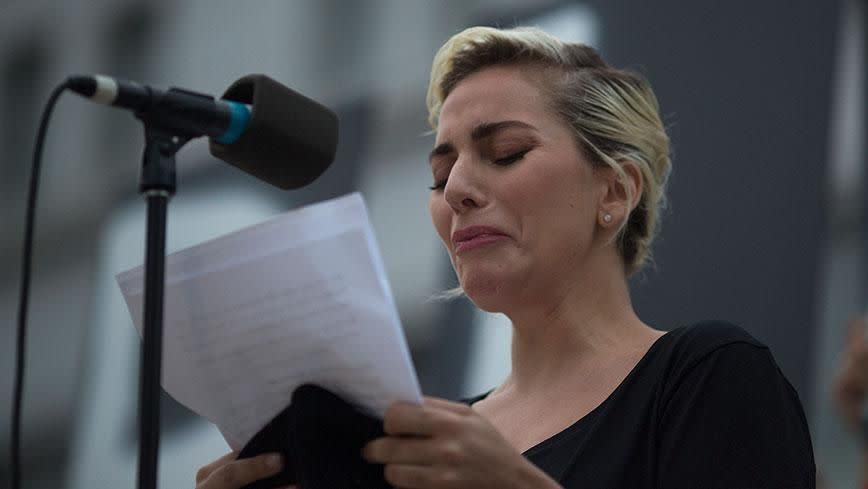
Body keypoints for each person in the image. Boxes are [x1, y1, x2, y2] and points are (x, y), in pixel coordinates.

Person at [194, 26, 816, 488]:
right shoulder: (423, 441)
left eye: (507, 152)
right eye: (440, 176)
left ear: (616, 190)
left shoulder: (708, 377)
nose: (458, 190)